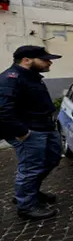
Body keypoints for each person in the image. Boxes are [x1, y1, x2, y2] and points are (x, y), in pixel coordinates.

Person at [0, 45, 63, 220]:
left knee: (52, 159)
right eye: (45, 59)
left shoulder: (32, 77)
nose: (49, 62)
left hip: (45, 127)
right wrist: (22, 133)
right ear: (26, 60)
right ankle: (26, 206)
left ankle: (30, 191)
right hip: (30, 132)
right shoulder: (10, 79)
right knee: (30, 169)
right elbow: (3, 110)